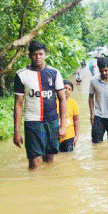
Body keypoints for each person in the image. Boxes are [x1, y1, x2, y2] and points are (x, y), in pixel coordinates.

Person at [13, 41, 67, 169]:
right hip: (32, 122)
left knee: (50, 158)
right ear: (30, 56)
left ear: (45, 55)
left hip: (52, 121)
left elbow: (62, 99)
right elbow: (18, 104)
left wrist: (62, 125)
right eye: (35, 54)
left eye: (41, 54)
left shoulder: (54, 73)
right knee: (35, 161)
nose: (38, 57)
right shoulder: (21, 75)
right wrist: (16, 131)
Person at [58, 80, 80, 152]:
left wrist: (76, 135)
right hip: (55, 136)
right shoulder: (54, 101)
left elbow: (76, 120)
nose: (67, 91)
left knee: (68, 157)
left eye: (69, 89)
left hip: (69, 135)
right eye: (65, 88)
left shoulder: (73, 103)